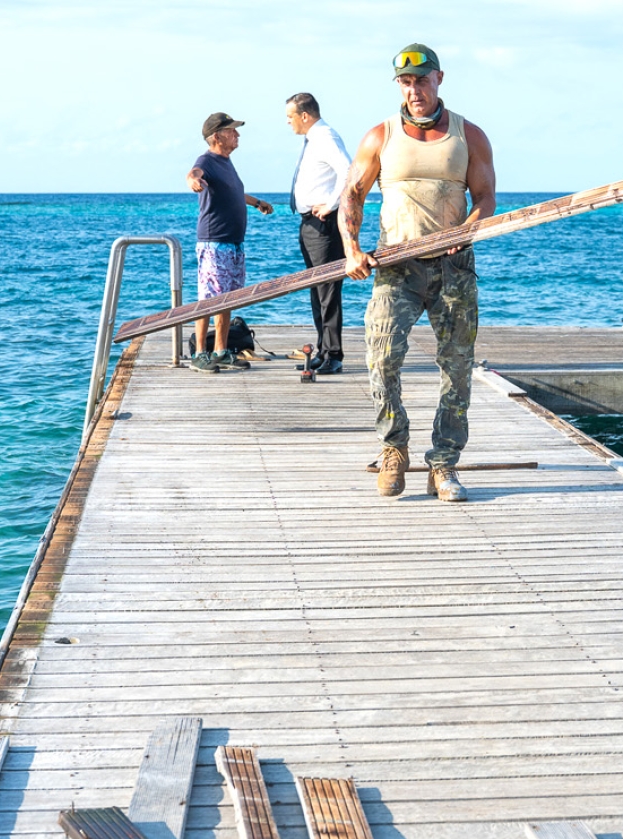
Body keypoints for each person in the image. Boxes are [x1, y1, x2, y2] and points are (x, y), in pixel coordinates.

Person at [340, 43, 496, 502]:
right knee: (381, 358)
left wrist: (468, 229)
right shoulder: (380, 136)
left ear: (439, 79)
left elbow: (486, 198)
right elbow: (352, 195)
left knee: (457, 367)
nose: (414, 91)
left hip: (453, 266)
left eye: (422, 81)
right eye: (406, 83)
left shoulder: (469, 135)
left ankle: (444, 464)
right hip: (396, 266)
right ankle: (394, 448)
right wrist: (352, 249)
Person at [186, 112, 274, 372]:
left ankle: (221, 351)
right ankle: (199, 354)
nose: (237, 134)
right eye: (231, 131)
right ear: (217, 136)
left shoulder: (226, 162)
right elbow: (195, 172)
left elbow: (234, 192)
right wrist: (192, 180)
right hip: (214, 243)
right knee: (209, 299)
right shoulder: (207, 160)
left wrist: (256, 202)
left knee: (228, 299)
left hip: (234, 243)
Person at [286, 93, 352, 375]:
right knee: (317, 289)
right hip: (309, 223)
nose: (287, 122)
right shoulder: (313, 139)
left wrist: (331, 205)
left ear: (304, 115)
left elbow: (349, 171)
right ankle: (323, 350)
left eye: (290, 116)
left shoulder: (326, 137)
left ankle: (333, 355)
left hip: (323, 223)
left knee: (327, 290)